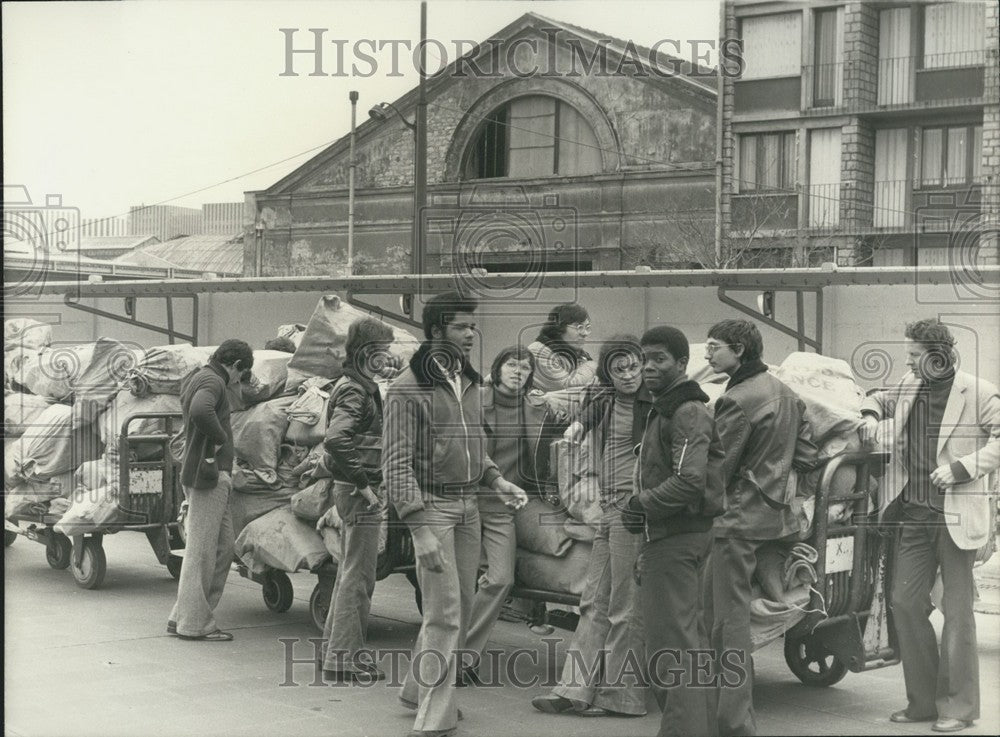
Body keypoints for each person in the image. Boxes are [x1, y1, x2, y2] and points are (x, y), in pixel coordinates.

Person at [383, 291, 529, 737]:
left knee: (459, 608)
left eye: (472, 326)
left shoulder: (467, 382)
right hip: (435, 509)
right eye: (462, 327)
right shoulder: (409, 388)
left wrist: (495, 479)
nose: (471, 334)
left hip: (470, 506)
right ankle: (435, 715)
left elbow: (472, 444)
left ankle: (415, 689)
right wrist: (419, 529)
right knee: (445, 614)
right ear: (436, 332)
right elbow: (395, 463)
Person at [859, 319, 999, 733]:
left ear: (939, 355)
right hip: (913, 515)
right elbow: (881, 399)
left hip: (957, 517)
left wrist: (961, 468)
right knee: (903, 602)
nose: (909, 362)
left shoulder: (979, 391)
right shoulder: (909, 384)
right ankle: (921, 703)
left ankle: (957, 707)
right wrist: (869, 411)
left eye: (916, 356)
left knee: (957, 614)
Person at [702, 319, 818, 737]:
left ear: (738, 350)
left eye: (714, 348)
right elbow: (807, 454)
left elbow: (719, 466)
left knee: (725, 621)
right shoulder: (785, 392)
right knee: (723, 615)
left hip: (734, 520)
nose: (707, 355)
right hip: (772, 518)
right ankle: (722, 715)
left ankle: (733, 722)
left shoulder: (736, 398)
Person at [532, 335, 650, 718]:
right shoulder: (604, 400)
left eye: (634, 367)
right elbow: (587, 407)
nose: (629, 375)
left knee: (623, 607)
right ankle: (574, 690)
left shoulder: (656, 404)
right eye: (619, 369)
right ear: (608, 373)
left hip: (634, 511)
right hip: (608, 508)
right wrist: (576, 428)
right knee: (593, 602)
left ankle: (623, 698)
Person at [621, 326, 725, 737]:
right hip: (679, 535)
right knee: (689, 644)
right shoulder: (667, 407)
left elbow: (688, 481)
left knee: (671, 650)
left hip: (675, 539)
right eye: (644, 358)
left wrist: (640, 506)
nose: (648, 366)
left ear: (682, 364)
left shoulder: (685, 411)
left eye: (659, 358)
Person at [462, 345, 566, 685]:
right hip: (466, 501)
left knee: (502, 579)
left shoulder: (535, 408)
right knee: (459, 585)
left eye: (525, 367)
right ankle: (454, 661)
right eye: (511, 364)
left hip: (502, 507)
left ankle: (463, 655)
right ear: (497, 367)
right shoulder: (474, 399)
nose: (518, 371)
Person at [315, 317, 394, 682]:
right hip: (357, 493)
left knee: (351, 572)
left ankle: (334, 649)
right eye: (381, 351)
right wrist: (365, 486)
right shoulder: (355, 391)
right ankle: (344, 660)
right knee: (359, 578)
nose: (387, 358)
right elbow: (335, 439)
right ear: (366, 353)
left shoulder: (358, 385)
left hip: (350, 489)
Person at [167, 339, 254, 642]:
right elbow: (200, 411)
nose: (238, 383)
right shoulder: (213, 381)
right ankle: (193, 624)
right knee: (202, 551)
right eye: (241, 376)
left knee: (221, 546)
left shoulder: (203, 376)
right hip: (208, 476)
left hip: (208, 476)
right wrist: (219, 440)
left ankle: (182, 614)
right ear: (236, 366)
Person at [528, 303, 597, 392]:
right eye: (579, 327)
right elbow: (565, 388)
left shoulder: (578, 354)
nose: (585, 333)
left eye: (587, 328)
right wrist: (591, 366)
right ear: (559, 328)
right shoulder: (538, 351)